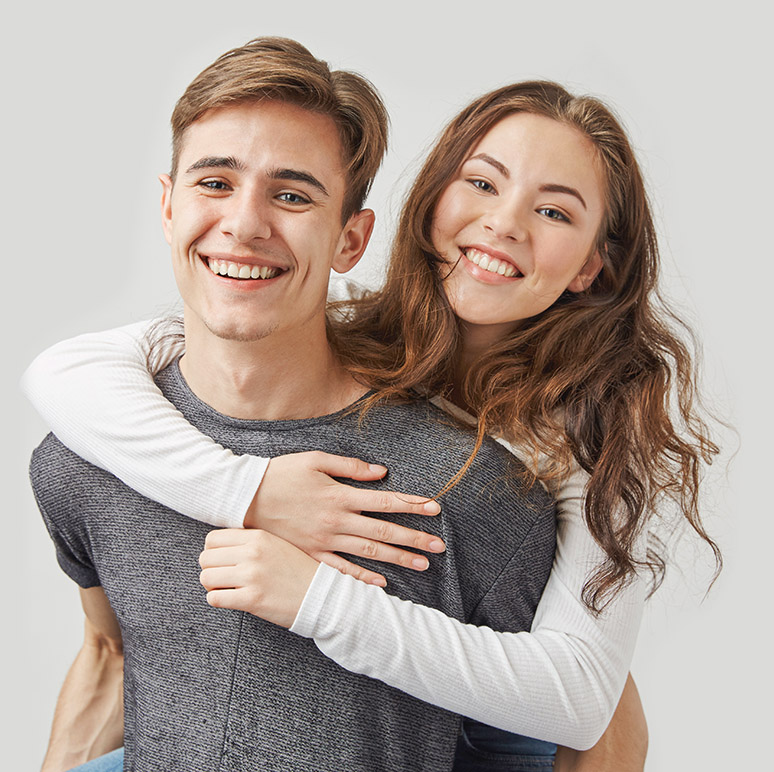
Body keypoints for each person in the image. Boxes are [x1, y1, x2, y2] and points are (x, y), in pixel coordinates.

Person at [25, 52, 717, 771]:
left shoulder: (591, 441)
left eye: (552, 211)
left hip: (512, 705)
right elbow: (66, 370)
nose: (504, 224)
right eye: (481, 183)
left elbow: (582, 701)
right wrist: (250, 494)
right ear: (430, 205)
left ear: (589, 268)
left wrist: (317, 598)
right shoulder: (357, 330)